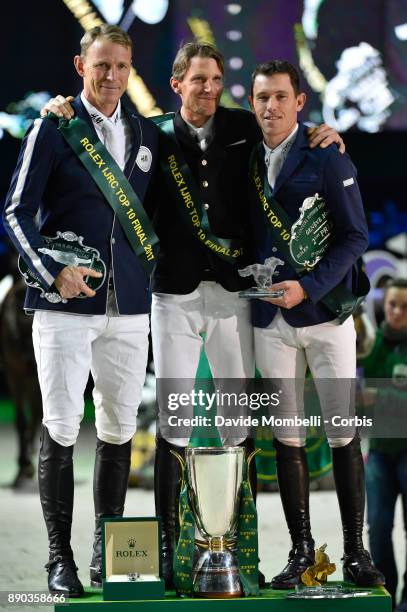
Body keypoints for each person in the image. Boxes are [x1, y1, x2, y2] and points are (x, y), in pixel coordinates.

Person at [40, 42, 344, 589]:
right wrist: (59, 109)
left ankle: (237, 544)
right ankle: (162, 541)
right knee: (175, 424)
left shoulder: (244, 127)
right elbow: (95, 132)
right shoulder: (148, 133)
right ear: (177, 85)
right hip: (171, 295)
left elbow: (287, 127)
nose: (207, 89)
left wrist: (323, 131)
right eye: (197, 80)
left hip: (233, 296)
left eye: (215, 80)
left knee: (236, 423)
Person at [3, 25, 158, 596]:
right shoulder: (54, 127)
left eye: (121, 66)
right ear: (80, 65)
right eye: (102, 67)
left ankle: (107, 551)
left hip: (129, 308)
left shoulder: (145, 131)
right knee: (63, 429)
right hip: (65, 306)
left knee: (118, 431)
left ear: (131, 68)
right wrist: (52, 272)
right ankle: (58, 558)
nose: (112, 76)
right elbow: (15, 212)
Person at [247, 60, 384, 588]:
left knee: (344, 433)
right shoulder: (244, 153)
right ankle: (300, 552)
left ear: (300, 101)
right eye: (262, 98)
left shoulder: (326, 155)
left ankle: (355, 552)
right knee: (287, 437)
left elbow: (355, 237)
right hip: (269, 320)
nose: (271, 107)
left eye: (281, 97)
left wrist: (310, 287)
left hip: (327, 317)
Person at [362, 279, 407, 610]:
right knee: (376, 528)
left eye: (405, 307)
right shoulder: (374, 342)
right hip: (379, 451)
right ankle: (386, 594)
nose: (397, 312)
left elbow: (371, 395)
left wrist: (379, 397)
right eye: (392, 304)